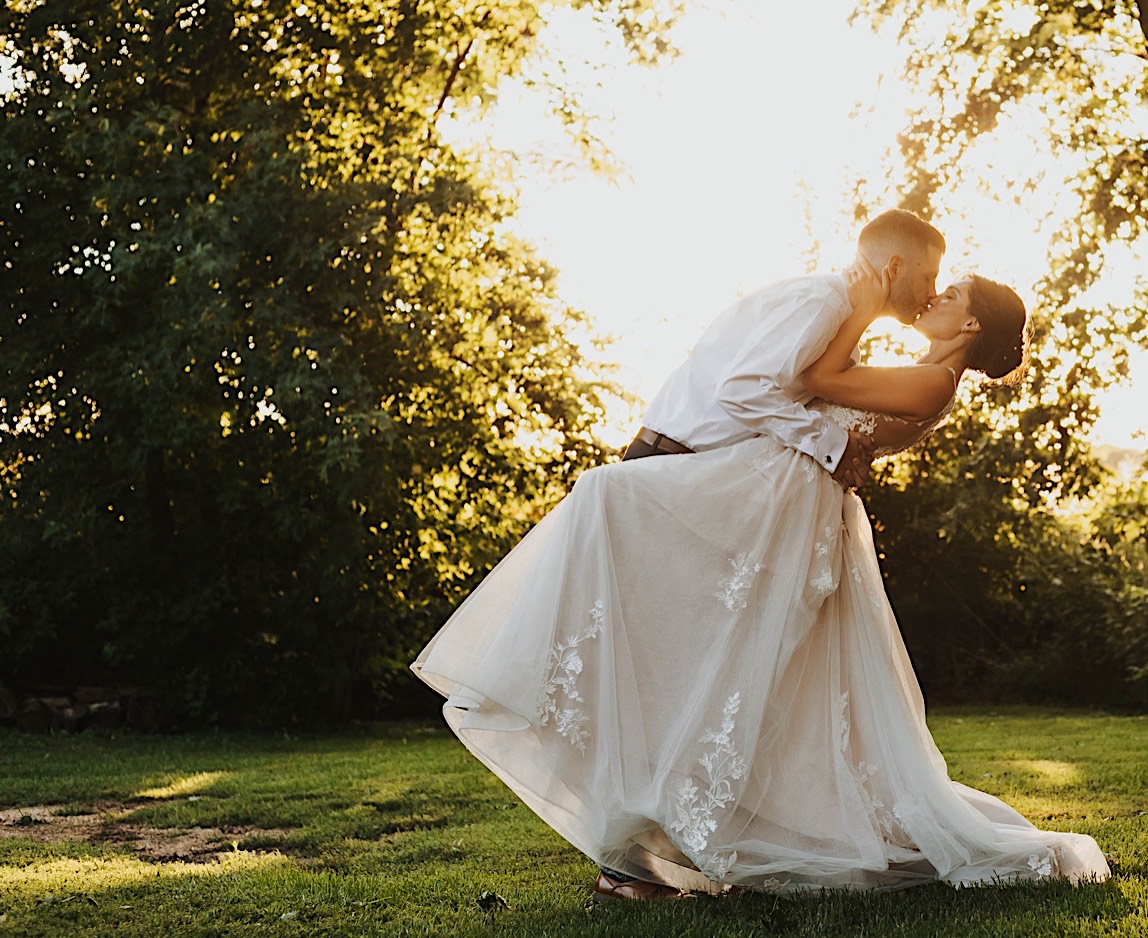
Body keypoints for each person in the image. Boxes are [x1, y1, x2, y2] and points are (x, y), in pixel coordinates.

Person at [410, 211, 1110, 901]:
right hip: (775, 492)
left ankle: (646, 842)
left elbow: (816, 380)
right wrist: (856, 317)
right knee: (682, 620)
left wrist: (860, 311)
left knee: (680, 603)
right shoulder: (901, 359)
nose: (934, 296)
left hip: (784, 502)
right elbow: (811, 387)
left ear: (970, 327)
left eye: (949, 293)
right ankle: (637, 832)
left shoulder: (933, 383)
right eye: (932, 281)